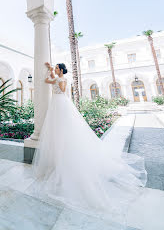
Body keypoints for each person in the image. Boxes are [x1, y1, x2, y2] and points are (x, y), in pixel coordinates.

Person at [29, 62, 147, 224]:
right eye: (55, 68)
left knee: (66, 131)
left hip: (62, 105)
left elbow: (62, 90)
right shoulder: (56, 77)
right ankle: (58, 158)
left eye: (57, 68)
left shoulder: (64, 79)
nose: (55, 70)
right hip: (55, 106)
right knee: (56, 132)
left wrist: (57, 79)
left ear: (61, 70)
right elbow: (46, 81)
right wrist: (50, 71)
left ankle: (69, 160)